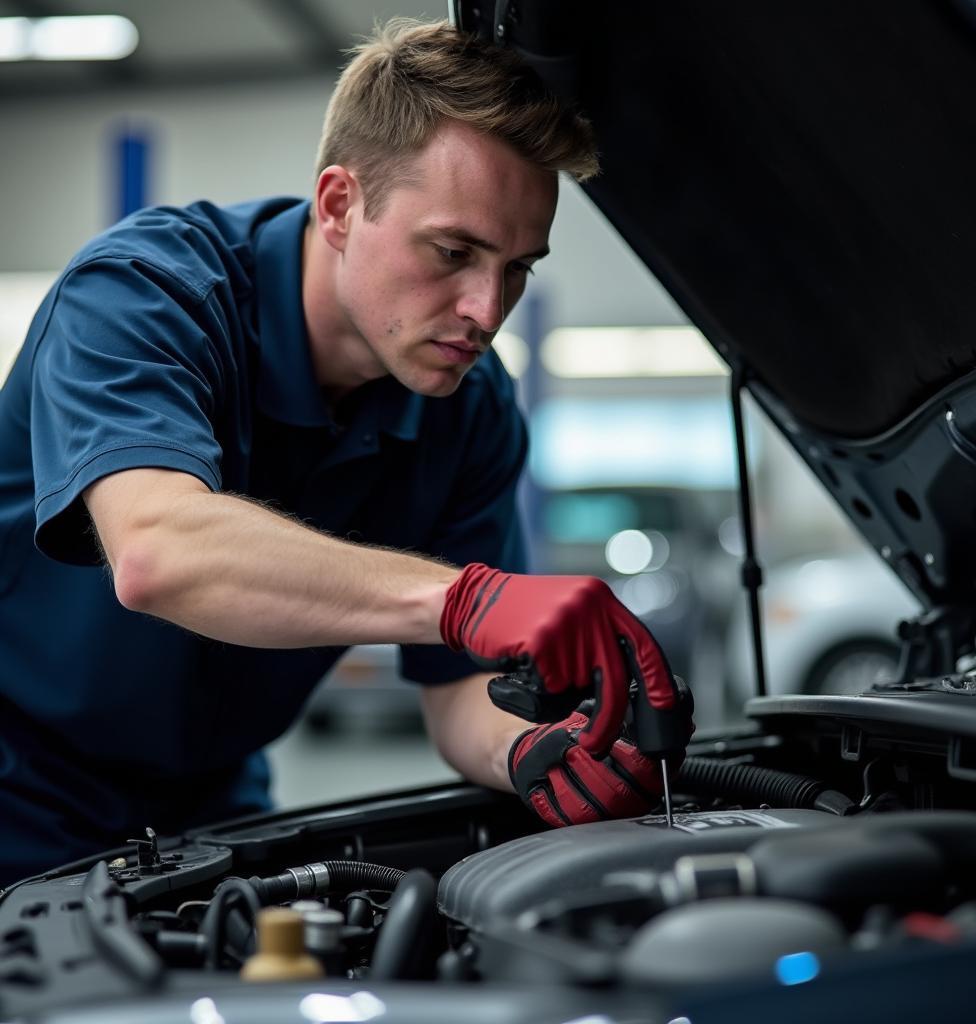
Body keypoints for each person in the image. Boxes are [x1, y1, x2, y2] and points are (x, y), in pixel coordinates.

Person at [0, 19, 693, 886]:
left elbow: (454, 691)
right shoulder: (143, 298)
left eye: (518, 268)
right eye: (454, 251)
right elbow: (158, 552)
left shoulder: (469, 410)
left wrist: (537, 752)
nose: (487, 307)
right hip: (15, 792)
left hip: (208, 808)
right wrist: (464, 598)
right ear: (338, 206)